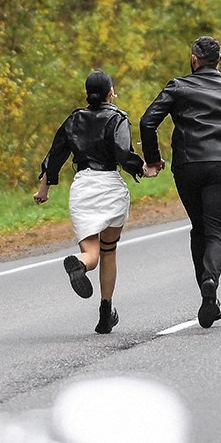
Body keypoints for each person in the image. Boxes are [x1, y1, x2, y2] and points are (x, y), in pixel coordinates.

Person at [140, 34, 221, 328]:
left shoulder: (178, 86)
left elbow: (147, 122)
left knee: (199, 229)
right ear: (219, 60)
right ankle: (211, 285)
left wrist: (154, 159)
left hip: (187, 166)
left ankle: (208, 294)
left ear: (194, 59)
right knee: (216, 231)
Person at [33, 69, 149, 334]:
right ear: (110, 93)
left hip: (83, 188)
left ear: (88, 94)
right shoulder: (117, 118)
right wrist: (142, 168)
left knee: (92, 253)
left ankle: (80, 261)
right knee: (108, 251)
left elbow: (56, 155)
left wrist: (44, 190)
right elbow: (123, 152)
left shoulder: (74, 119)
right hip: (109, 187)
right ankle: (106, 310)